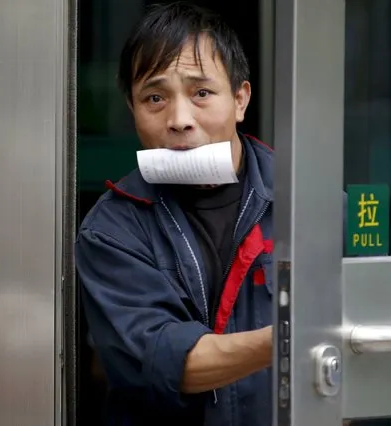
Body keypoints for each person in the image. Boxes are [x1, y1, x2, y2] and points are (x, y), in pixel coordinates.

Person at [75, 3, 275, 426]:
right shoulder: (109, 230)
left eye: (201, 93)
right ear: (132, 110)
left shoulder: (312, 202)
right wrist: (297, 337)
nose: (179, 120)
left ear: (240, 99)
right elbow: (167, 359)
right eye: (155, 98)